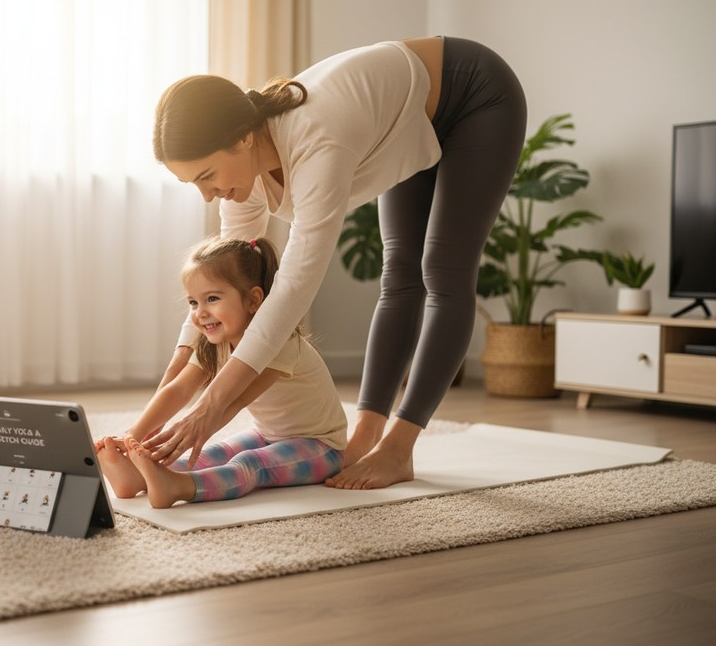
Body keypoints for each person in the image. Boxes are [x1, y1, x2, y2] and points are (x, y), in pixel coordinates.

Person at [143, 36, 527, 490]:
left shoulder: (316, 141)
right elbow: (222, 274)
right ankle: (364, 437)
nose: (206, 195)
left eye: (207, 176)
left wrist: (212, 406)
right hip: (409, 116)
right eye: (193, 184)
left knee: (443, 272)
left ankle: (398, 449)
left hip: (475, 96)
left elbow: (294, 287)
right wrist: (181, 363)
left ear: (243, 138)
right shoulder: (245, 172)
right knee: (400, 276)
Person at [95, 236, 347, 508]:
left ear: (253, 300)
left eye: (212, 299)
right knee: (217, 452)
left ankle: (180, 486)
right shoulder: (216, 344)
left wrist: (179, 435)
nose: (200, 313)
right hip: (267, 434)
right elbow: (179, 389)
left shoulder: (281, 343)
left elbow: (231, 402)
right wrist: (133, 435)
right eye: (193, 302)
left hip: (321, 447)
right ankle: (137, 479)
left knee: (250, 463)